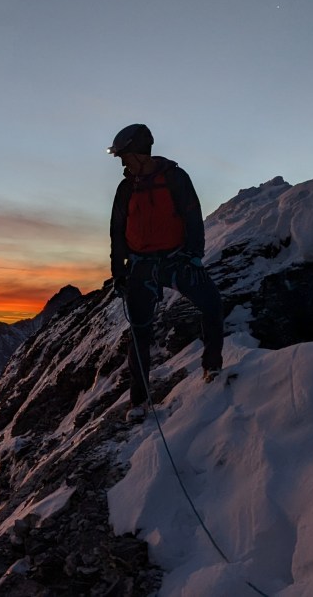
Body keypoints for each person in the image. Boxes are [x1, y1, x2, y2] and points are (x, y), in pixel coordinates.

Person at [108, 123, 224, 420]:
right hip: (141, 265)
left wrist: (194, 255)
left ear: (141, 153)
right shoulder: (126, 188)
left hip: (175, 261)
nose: (124, 163)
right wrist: (118, 269)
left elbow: (192, 216)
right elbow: (118, 230)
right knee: (139, 332)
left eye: (126, 156)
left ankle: (212, 368)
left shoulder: (174, 178)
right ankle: (139, 402)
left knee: (212, 305)